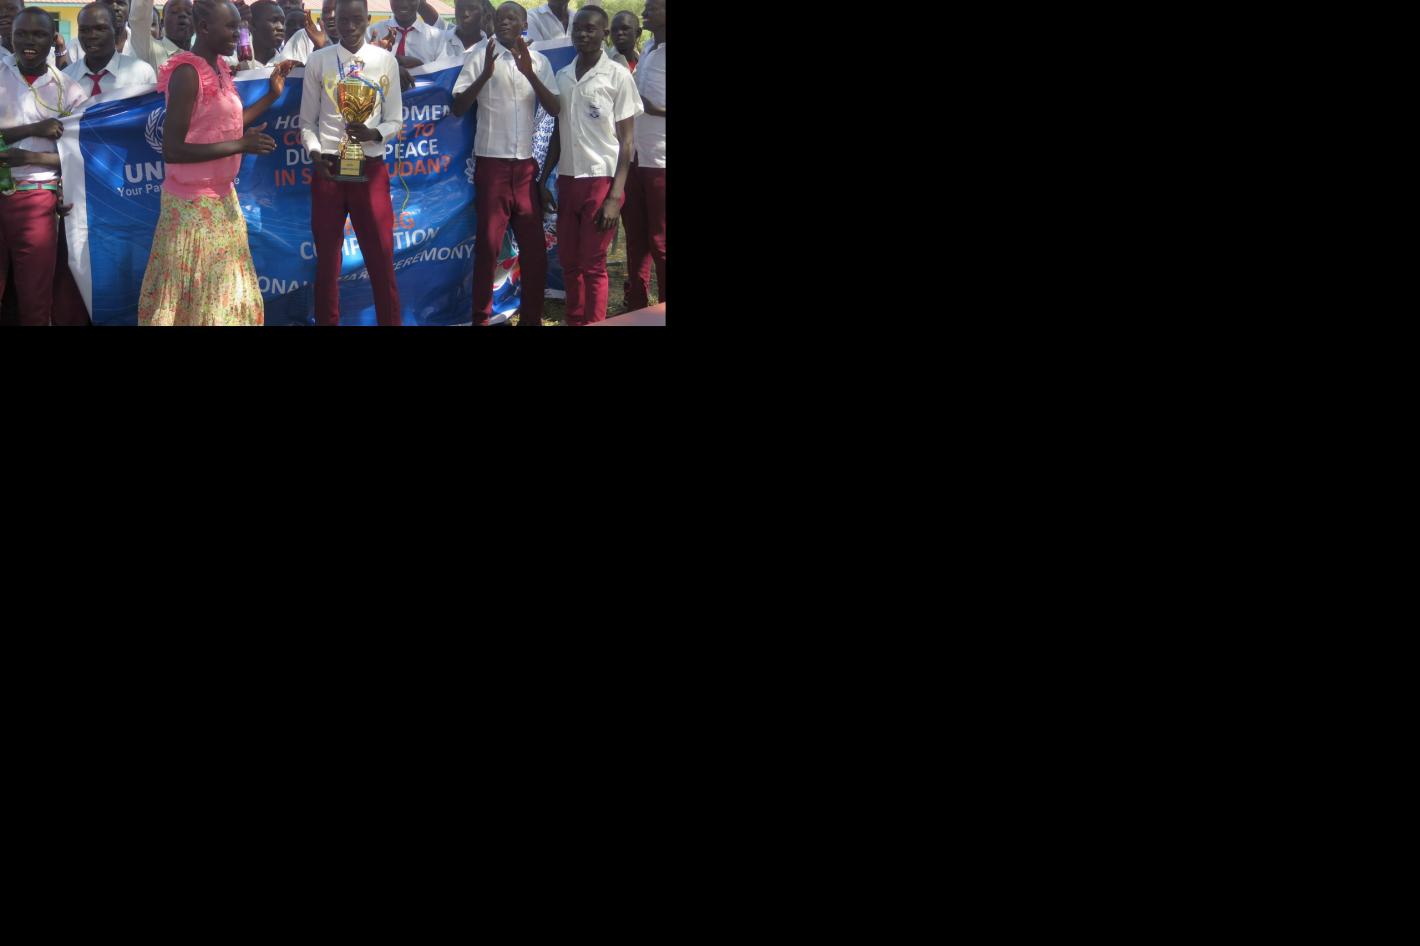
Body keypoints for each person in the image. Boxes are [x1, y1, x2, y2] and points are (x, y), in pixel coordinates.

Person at [136, 0, 293, 325]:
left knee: (224, 296)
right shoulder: (187, 74)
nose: (238, 33)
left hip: (223, 201)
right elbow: (173, 150)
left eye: (239, 26)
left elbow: (226, 125)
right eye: (231, 26)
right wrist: (240, 144)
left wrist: (271, 96)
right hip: (191, 209)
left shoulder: (220, 67)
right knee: (196, 300)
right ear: (205, 28)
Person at [452, 1, 557, 327]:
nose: (505, 22)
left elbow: (554, 108)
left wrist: (530, 74)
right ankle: (481, 319)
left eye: (512, 18)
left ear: (525, 23)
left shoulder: (538, 60)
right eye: (499, 18)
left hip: (525, 168)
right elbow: (458, 107)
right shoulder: (480, 56)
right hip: (492, 166)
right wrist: (484, 75)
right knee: (488, 249)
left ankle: (531, 319)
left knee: (534, 250)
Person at [300, 0, 404, 325]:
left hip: (369, 170)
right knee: (327, 264)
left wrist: (374, 133)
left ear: (368, 19)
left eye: (357, 19)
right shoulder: (318, 61)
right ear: (333, 19)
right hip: (329, 169)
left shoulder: (385, 61)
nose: (349, 26)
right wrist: (315, 153)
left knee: (381, 259)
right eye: (343, 19)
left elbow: (395, 119)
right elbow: (307, 123)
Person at [539, 5, 639, 325]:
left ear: (604, 34)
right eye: (577, 28)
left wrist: (615, 196)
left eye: (590, 29)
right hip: (568, 179)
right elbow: (558, 132)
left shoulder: (618, 76)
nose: (582, 34)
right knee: (569, 262)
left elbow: (627, 142)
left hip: (601, 181)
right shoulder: (563, 76)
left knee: (593, 264)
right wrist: (543, 179)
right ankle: (574, 319)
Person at [0, 7, 85, 326]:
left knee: (35, 300)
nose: (29, 42)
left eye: (38, 35)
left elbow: (79, 157)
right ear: (10, 37)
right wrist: (33, 129)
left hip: (38, 198)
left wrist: (28, 158)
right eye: (21, 34)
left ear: (53, 39)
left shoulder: (69, 89)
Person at [621, 0, 662, 310]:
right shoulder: (647, 49)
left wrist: (655, 108)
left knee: (661, 241)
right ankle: (636, 304)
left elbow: (649, 105)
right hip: (635, 157)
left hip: (661, 161)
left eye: (652, 8)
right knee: (635, 237)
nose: (645, 13)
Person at [63, 2, 156, 100]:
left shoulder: (142, 74)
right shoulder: (64, 80)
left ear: (115, 31)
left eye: (100, 29)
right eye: (84, 30)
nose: (92, 36)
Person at [0, 0, 61, 68]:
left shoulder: (52, 56)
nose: (2, 14)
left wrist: (61, 51)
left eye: (10, 8)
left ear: (23, 9)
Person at [270, 0, 333, 64]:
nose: (287, 6)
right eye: (282, 2)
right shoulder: (268, 44)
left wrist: (319, 47)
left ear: (302, 6)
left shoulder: (322, 39)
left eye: (293, 2)